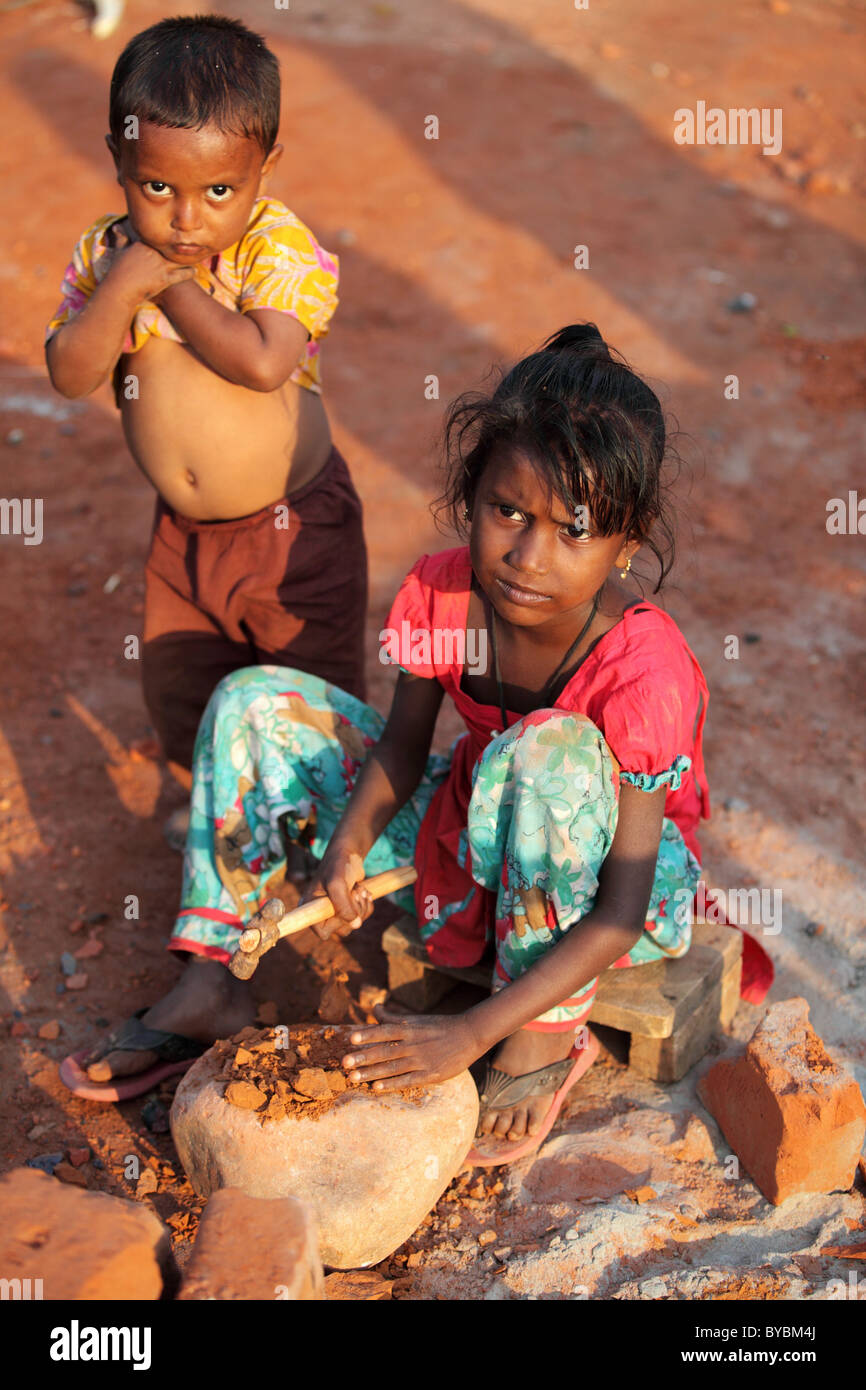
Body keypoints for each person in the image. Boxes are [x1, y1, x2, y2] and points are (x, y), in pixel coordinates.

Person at [65, 324, 710, 1171]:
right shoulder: (444, 592)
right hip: (470, 831)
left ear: (626, 544)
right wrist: (350, 843)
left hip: (605, 889)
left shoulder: (643, 669)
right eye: (506, 511)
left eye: (573, 531)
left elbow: (622, 910)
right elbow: (404, 751)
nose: (526, 554)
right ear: (469, 494)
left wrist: (467, 1034)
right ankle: (212, 976)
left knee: (550, 754)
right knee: (254, 701)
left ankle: (542, 1038)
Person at [44, 15, 368, 794]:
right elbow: (68, 372)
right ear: (119, 160)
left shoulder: (271, 243)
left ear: (266, 168)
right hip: (181, 542)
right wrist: (123, 283)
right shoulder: (107, 253)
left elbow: (263, 363)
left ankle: (326, 845)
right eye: (157, 186)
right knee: (182, 689)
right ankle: (216, 822)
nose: (187, 219)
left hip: (295, 535)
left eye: (219, 189)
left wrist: (171, 284)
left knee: (310, 702)